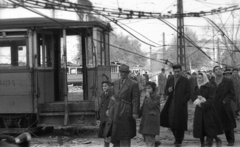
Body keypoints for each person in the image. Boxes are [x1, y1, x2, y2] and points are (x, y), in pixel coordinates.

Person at [104, 64, 140, 147]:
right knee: (116, 132)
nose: (121, 73)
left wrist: (135, 112)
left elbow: (136, 99)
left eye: (123, 72)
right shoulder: (116, 83)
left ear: (127, 73)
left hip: (126, 110)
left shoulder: (133, 84)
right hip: (115, 110)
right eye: (120, 71)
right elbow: (112, 97)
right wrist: (109, 108)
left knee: (125, 133)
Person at [160, 64, 191, 147]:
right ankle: (176, 138)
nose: (176, 73)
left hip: (181, 105)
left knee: (180, 122)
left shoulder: (185, 80)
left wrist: (183, 101)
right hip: (171, 103)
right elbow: (166, 91)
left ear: (181, 71)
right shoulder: (170, 80)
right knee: (171, 122)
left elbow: (189, 93)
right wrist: (168, 90)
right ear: (173, 72)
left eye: (178, 71)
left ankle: (179, 140)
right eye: (175, 72)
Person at [192, 72, 223, 147]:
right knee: (200, 127)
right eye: (198, 78)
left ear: (204, 78)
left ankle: (210, 143)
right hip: (199, 110)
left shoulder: (210, 87)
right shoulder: (197, 87)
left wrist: (202, 104)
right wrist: (197, 97)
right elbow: (192, 96)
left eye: (200, 77)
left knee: (209, 127)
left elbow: (211, 99)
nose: (199, 79)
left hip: (208, 110)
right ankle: (202, 144)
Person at [210, 66, 236, 146]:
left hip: (225, 106)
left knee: (228, 124)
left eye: (220, 69)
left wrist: (225, 100)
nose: (218, 71)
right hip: (214, 105)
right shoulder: (211, 82)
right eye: (216, 70)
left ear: (222, 71)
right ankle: (214, 140)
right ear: (214, 72)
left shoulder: (228, 81)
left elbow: (232, 94)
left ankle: (231, 141)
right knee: (213, 124)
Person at [139, 81, 160, 147]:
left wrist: (148, 97)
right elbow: (143, 106)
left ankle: (153, 144)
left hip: (152, 120)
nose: (147, 90)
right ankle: (155, 143)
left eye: (149, 88)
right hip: (145, 119)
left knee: (149, 136)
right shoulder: (147, 96)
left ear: (153, 89)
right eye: (146, 88)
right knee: (145, 135)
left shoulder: (157, 96)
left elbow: (152, 105)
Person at [98, 81, 112, 147]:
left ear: (109, 86)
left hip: (109, 117)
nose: (104, 87)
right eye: (103, 86)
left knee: (109, 133)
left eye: (106, 86)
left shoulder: (112, 95)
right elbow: (101, 105)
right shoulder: (102, 95)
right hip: (103, 116)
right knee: (105, 133)